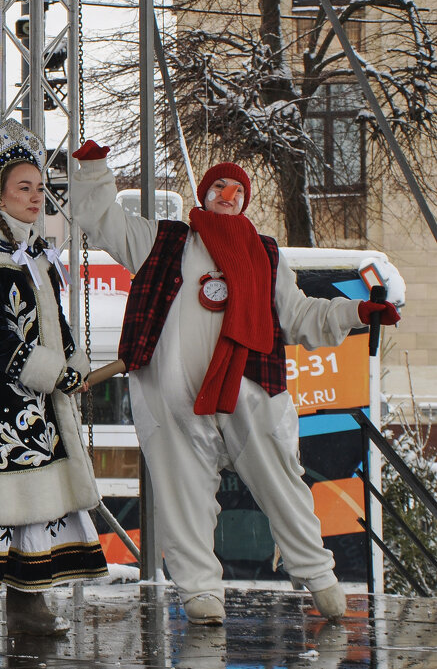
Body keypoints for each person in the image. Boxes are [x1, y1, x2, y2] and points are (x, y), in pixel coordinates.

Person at [69, 140, 401, 625]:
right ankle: (201, 592)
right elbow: (102, 220)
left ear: (245, 200)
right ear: (202, 196)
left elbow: (301, 315)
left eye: (236, 189)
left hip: (252, 394)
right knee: (182, 495)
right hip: (174, 399)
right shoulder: (163, 241)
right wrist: (95, 170)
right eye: (218, 187)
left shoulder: (265, 255)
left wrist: (355, 311)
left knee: (284, 486)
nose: (228, 194)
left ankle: (319, 575)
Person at [0, 119, 108, 638]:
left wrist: (72, 363)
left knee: (37, 507)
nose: (36, 198)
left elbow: (56, 327)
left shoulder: (38, 260)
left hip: (40, 410)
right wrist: (52, 373)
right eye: (23, 189)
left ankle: (27, 607)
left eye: (40, 188)